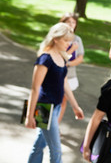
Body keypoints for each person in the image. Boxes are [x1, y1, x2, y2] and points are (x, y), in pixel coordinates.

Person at [25, 22, 84, 163]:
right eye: (65, 41)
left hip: (56, 108)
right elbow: (35, 88)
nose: (68, 44)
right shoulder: (45, 59)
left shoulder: (62, 57)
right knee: (56, 150)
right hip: (44, 108)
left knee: (39, 145)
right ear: (55, 39)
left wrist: (75, 106)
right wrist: (29, 115)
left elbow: (65, 84)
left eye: (69, 41)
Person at [58, 12, 85, 124]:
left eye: (73, 22)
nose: (71, 24)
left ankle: (56, 124)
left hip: (69, 75)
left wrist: (68, 65)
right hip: (57, 75)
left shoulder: (77, 39)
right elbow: (58, 58)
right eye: (68, 22)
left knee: (63, 101)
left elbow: (80, 58)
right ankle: (50, 126)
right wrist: (71, 50)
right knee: (57, 101)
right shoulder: (58, 39)